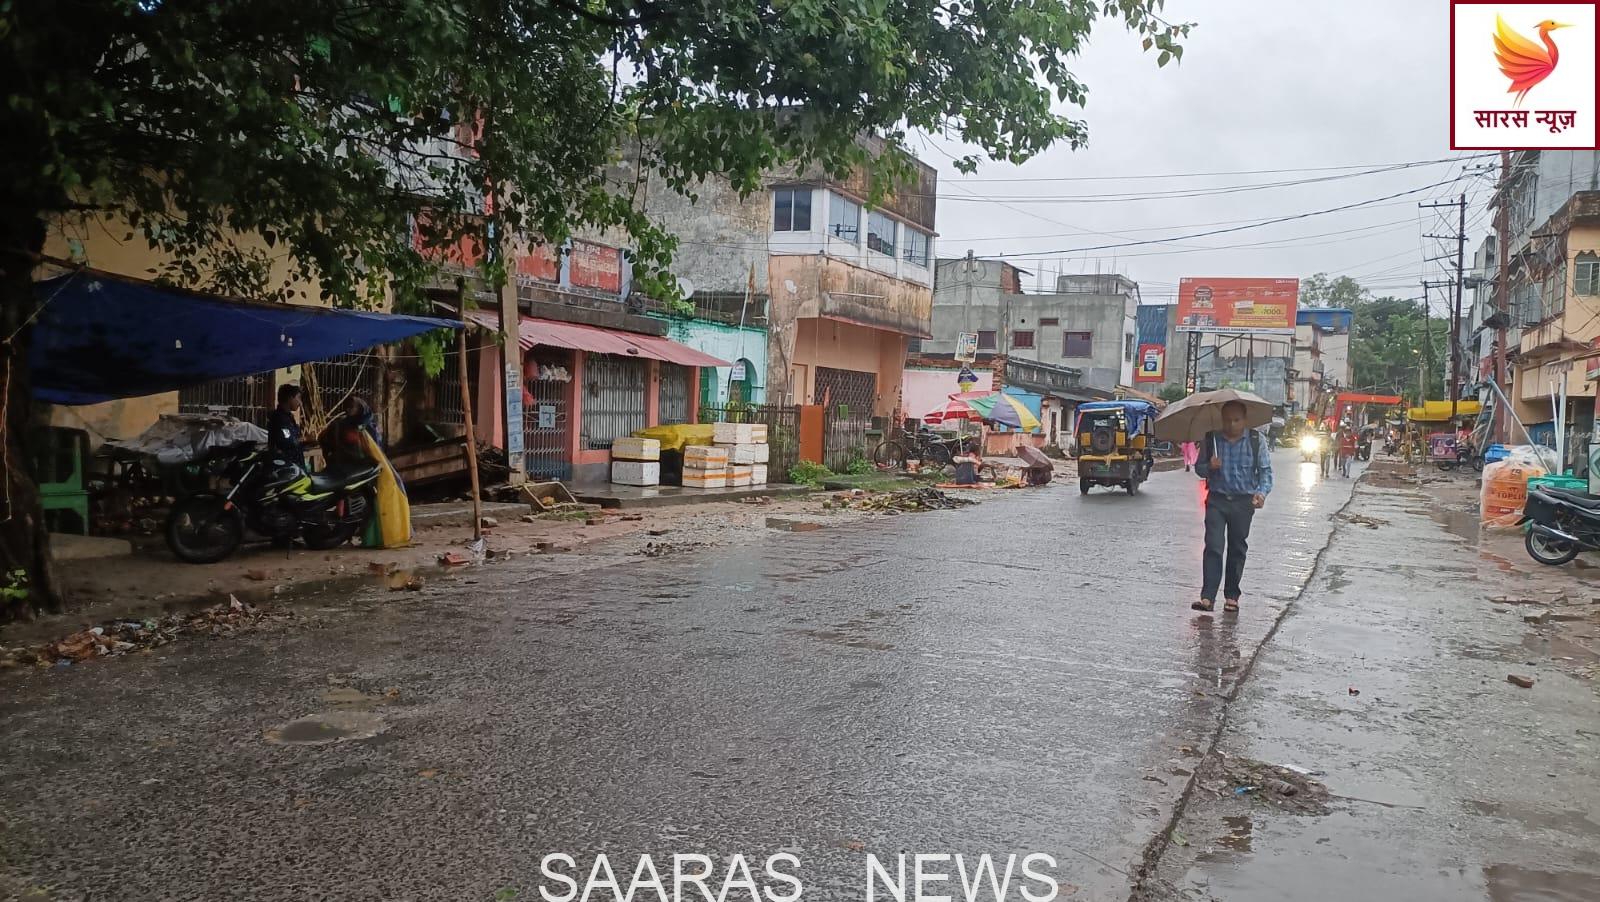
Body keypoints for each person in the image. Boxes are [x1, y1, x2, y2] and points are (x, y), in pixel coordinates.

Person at [1192, 400, 1273, 614]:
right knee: (1214, 546)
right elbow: (1199, 469)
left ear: (1244, 420)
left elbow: (1266, 473)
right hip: (1217, 500)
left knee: (1237, 548)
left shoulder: (1256, 441)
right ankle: (1207, 597)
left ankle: (1232, 596)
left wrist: (1261, 493)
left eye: (1236, 420)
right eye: (1227, 420)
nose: (1231, 424)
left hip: (1243, 502)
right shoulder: (1212, 439)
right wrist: (1210, 466)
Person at [319, 394, 380, 467]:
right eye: (346, 407)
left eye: (351, 407)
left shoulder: (369, 427)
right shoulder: (341, 424)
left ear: (359, 408)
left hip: (364, 466)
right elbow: (324, 440)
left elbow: (376, 449)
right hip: (343, 465)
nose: (347, 409)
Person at [266, 384, 305, 470]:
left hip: (293, 466)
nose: (300, 402)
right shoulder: (280, 419)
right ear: (290, 398)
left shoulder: (288, 417)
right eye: (298, 398)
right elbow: (289, 441)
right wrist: (306, 439)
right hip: (286, 468)